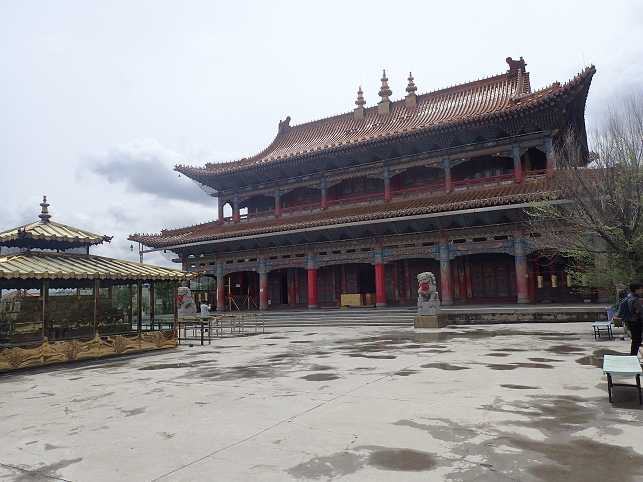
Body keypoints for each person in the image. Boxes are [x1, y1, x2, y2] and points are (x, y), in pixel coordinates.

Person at [626, 282, 643, 358]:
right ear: (637, 290)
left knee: (635, 339)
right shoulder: (635, 300)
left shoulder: (629, 297)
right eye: (641, 288)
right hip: (635, 321)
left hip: (631, 321)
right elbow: (641, 310)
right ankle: (633, 357)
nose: (642, 290)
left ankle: (633, 356)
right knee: (636, 340)